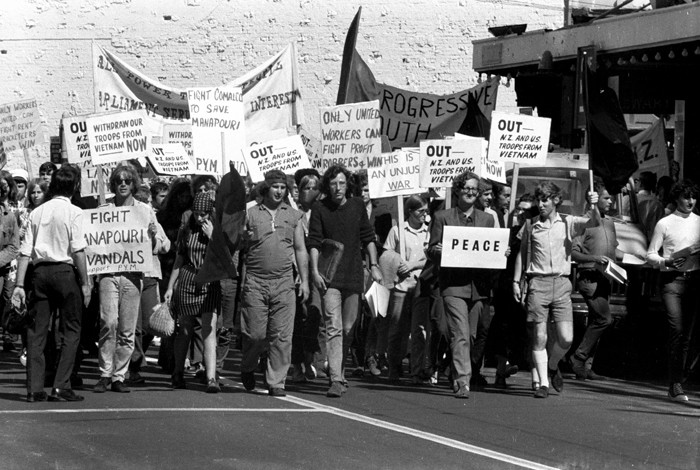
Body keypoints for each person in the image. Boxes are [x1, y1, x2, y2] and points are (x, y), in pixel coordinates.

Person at [513, 181, 599, 399]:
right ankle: (543, 384)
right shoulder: (531, 224)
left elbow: (594, 221)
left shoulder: (568, 222)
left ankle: (552, 366)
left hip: (561, 284)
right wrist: (517, 281)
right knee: (539, 337)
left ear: (556, 200)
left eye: (545, 200)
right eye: (538, 200)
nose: (540, 205)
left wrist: (593, 204)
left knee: (566, 338)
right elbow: (522, 254)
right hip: (538, 284)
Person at [13, 165, 91, 402]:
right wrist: (86, 282)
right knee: (71, 329)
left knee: (37, 332)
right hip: (65, 272)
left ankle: (35, 389)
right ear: (75, 187)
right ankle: (61, 385)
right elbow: (78, 250)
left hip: (40, 273)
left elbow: (24, 252)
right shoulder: (75, 212)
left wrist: (18, 285)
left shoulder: (37, 212)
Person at [307, 165, 382, 398]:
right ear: (326, 186)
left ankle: (338, 368)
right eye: (332, 184)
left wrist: (374, 264)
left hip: (353, 274)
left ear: (347, 184)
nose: (337, 188)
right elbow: (315, 242)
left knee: (348, 328)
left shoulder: (358, 205)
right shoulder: (320, 208)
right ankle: (336, 380)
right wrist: (315, 272)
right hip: (329, 276)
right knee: (334, 326)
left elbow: (368, 237)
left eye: (341, 183)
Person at [239, 170, 309, 396]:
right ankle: (248, 366)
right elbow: (237, 245)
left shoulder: (294, 215)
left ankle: (276, 381)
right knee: (255, 334)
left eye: (282, 187)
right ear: (265, 188)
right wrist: (243, 237)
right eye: (275, 186)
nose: (279, 191)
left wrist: (305, 281)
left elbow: (300, 249)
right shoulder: (250, 213)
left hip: (284, 283)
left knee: (281, 335)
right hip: (255, 282)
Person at [427, 171, 495, 399]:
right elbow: (431, 249)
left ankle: (451, 368)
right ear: (457, 190)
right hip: (454, 285)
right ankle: (463, 380)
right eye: (466, 188)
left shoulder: (487, 219)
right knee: (461, 333)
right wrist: (437, 251)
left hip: (478, 287)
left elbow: (491, 250)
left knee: (470, 335)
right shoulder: (442, 217)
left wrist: (500, 251)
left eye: (474, 189)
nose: (470, 192)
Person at [93, 164, 159, 394]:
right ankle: (105, 373)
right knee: (108, 322)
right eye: (119, 180)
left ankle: (119, 375)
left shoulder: (145, 211)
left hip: (133, 275)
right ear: (113, 184)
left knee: (127, 329)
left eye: (127, 181)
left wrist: (153, 236)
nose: (123, 184)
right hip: (109, 274)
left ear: (134, 184)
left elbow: (164, 245)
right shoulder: (103, 209)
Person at [570, 180, 630, 380]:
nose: (611, 202)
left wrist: (637, 257)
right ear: (593, 199)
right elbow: (575, 253)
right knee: (604, 318)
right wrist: (594, 259)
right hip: (589, 278)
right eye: (606, 198)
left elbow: (614, 250)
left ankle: (586, 366)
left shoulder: (610, 222)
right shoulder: (583, 222)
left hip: (606, 278)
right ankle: (578, 357)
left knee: (598, 320)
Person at [647, 180, 700, 402]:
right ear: (677, 198)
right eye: (686, 197)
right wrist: (667, 262)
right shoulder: (665, 223)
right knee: (676, 329)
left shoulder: (699, 221)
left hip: (695, 280)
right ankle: (675, 382)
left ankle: (677, 381)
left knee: (686, 336)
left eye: (693, 197)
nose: (690, 201)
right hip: (671, 281)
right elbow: (650, 254)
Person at [164, 192, 222, 392]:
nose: (199, 218)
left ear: (211, 212)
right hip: (188, 280)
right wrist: (171, 287)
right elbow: (179, 260)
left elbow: (225, 256)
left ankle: (211, 377)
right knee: (186, 329)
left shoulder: (217, 228)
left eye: (203, 214)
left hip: (210, 280)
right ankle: (178, 371)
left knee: (209, 328)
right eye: (196, 214)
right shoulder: (186, 230)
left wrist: (212, 236)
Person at [384, 195, 430, 383]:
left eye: (426, 211)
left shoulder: (429, 231)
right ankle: (394, 365)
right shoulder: (397, 231)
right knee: (397, 327)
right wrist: (397, 263)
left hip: (421, 284)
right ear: (410, 212)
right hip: (401, 286)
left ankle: (416, 370)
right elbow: (387, 254)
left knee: (419, 329)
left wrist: (412, 265)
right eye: (421, 211)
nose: (424, 215)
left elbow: (432, 257)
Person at [126, 186, 170, 385]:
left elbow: (164, 246)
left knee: (148, 325)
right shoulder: (125, 221)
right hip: (131, 277)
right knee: (133, 326)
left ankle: (134, 359)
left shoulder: (152, 219)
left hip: (150, 276)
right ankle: (132, 367)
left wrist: (153, 236)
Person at [290, 171, 323, 383]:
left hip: (318, 273)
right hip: (295, 272)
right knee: (296, 320)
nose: (310, 192)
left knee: (315, 316)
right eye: (306, 188)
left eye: (314, 188)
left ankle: (311, 358)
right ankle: (296, 364)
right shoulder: (293, 213)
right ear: (299, 192)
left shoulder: (321, 213)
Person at [0, 171, 19, 352]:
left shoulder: (10, 216)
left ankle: (7, 333)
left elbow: (14, 245)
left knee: (8, 298)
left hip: (8, 265)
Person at [636, 171, 664, 242]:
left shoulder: (627, 199)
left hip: (632, 241)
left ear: (640, 183)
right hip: (650, 243)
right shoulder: (658, 204)